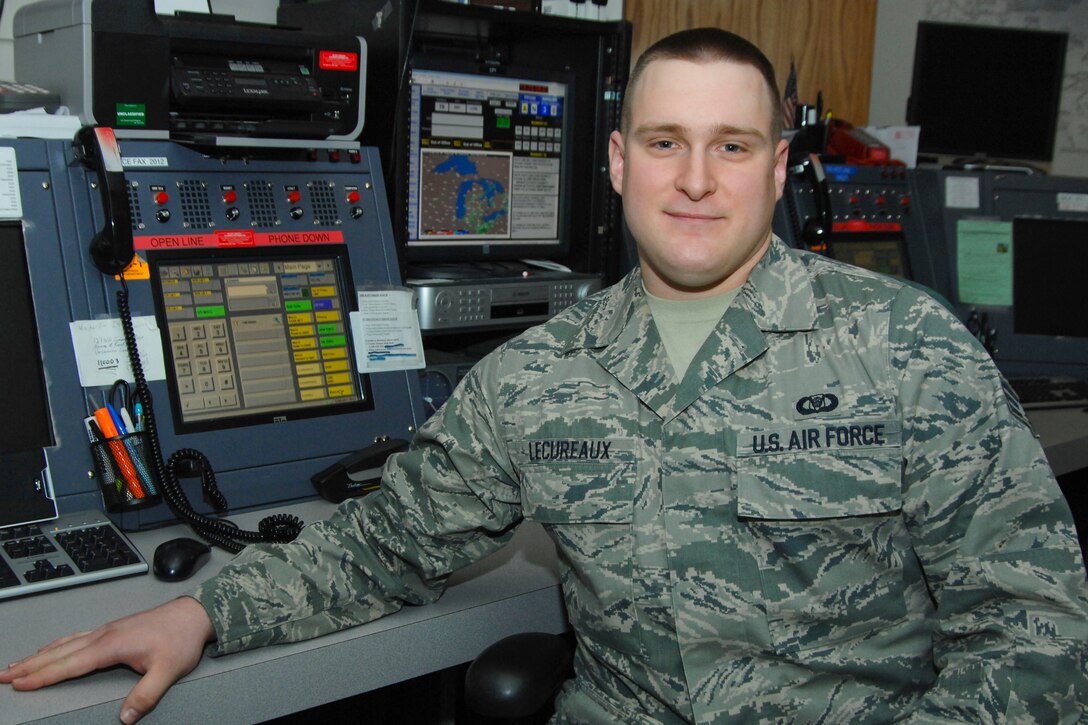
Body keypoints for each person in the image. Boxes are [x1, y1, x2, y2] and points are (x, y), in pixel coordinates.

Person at [4, 27, 1088, 724]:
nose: (696, 180)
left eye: (731, 145)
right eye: (663, 142)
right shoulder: (535, 378)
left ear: (774, 164)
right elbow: (385, 548)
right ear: (615, 162)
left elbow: (1033, 626)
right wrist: (205, 615)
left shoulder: (907, 349)